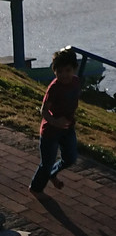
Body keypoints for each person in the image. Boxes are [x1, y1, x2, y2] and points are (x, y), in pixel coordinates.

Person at [29, 47, 81, 193]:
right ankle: (36, 189)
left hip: (67, 128)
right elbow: (43, 111)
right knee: (46, 164)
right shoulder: (54, 88)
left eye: (68, 70)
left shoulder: (76, 82)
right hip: (50, 131)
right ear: (54, 71)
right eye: (59, 71)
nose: (64, 75)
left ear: (74, 69)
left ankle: (52, 174)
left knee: (70, 158)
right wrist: (55, 122)